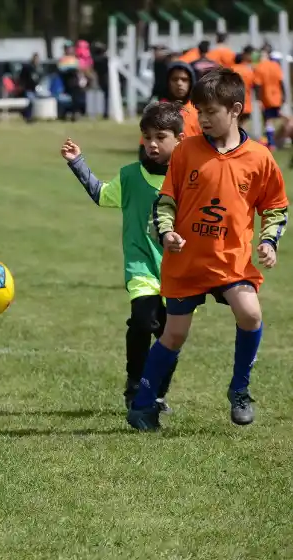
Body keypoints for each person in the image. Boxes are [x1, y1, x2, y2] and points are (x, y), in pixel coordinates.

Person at [127, 69, 289, 432]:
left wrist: (268, 240)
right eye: (198, 112)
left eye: (210, 112)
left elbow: (277, 207)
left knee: (249, 313)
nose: (201, 119)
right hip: (186, 261)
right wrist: (167, 232)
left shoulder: (259, 158)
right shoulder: (185, 152)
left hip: (231, 261)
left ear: (235, 109)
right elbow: (166, 201)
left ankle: (240, 390)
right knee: (174, 334)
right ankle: (143, 404)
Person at [62, 102, 185, 411]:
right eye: (147, 137)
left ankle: (157, 392)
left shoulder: (189, 180)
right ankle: (134, 383)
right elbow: (102, 195)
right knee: (143, 322)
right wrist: (78, 163)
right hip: (141, 266)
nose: (152, 144)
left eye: (161, 136)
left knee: (171, 335)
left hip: (180, 272)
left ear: (180, 139)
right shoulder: (130, 176)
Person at [139, 61, 201, 160]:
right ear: (167, 82)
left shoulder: (199, 111)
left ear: (191, 82)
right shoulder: (157, 110)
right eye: (174, 79)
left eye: (184, 80)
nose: (179, 83)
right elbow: (144, 146)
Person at [253, 47, 285, 150]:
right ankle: (274, 140)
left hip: (266, 97)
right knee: (276, 117)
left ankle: (271, 143)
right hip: (277, 96)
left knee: (268, 120)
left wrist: (258, 100)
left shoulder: (259, 67)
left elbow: (258, 85)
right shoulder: (276, 65)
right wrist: (284, 95)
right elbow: (281, 82)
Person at [232, 49, 256, 126]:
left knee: (235, 125)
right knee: (243, 126)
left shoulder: (230, 70)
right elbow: (253, 85)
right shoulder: (248, 70)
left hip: (234, 103)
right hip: (246, 103)